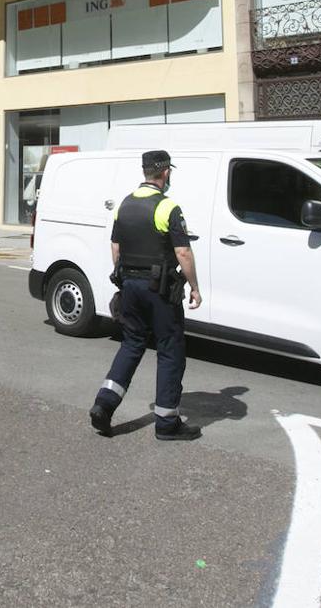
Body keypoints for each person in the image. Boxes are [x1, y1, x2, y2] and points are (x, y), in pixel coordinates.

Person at [90, 150, 203, 441]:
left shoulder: (124, 205)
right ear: (165, 173)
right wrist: (195, 287)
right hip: (160, 290)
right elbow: (182, 252)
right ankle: (167, 424)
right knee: (169, 349)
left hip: (130, 286)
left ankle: (104, 404)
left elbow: (116, 248)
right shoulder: (168, 208)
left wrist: (124, 277)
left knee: (131, 344)